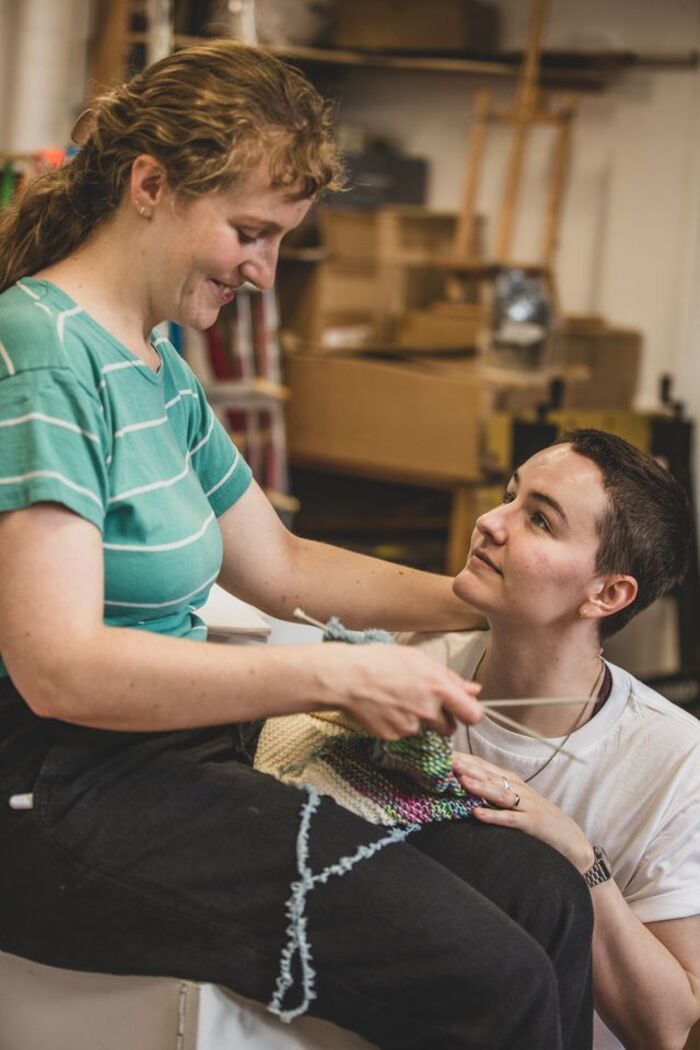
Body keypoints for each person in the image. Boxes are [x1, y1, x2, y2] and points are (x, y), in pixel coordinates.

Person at [0, 40, 594, 1050]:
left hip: (167, 766)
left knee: (543, 895)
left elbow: (279, 566)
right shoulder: (42, 356)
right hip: (60, 797)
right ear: (149, 186)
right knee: (488, 979)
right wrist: (327, 676)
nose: (264, 273)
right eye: (249, 232)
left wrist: (477, 599)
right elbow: (60, 672)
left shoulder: (150, 356)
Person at [399, 429, 700, 1050]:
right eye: (509, 496)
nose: (489, 522)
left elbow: (669, 1029)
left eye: (538, 520)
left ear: (608, 593)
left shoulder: (677, 759)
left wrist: (577, 857)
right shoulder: (410, 668)